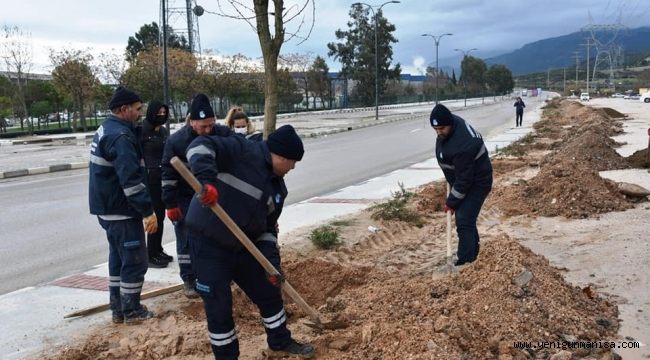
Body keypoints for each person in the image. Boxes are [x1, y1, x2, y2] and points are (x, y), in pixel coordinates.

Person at [185, 125, 314, 359]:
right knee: (219, 306)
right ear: (282, 156)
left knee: (268, 290)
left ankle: (279, 341)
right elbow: (199, 146)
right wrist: (207, 181)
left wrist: (271, 265)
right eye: (293, 162)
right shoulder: (242, 150)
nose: (293, 167)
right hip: (208, 243)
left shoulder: (277, 189)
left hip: (243, 246)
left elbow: (267, 230)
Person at [89, 86, 157, 324]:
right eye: (138, 109)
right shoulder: (121, 137)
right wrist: (147, 211)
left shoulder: (108, 129)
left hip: (107, 209)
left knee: (118, 260)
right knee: (135, 260)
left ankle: (118, 309)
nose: (141, 113)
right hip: (121, 210)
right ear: (124, 109)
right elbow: (131, 180)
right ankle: (132, 311)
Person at [161, 93, 232, 298]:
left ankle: (217, 273)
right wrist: (170, 203)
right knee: (186, 240)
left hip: (216, 194)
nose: (208, 130)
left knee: (217, 237)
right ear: (192, 122)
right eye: (203, 126)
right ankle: (189, 278)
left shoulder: (223, 134)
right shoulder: (176, 142)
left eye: (211, 125)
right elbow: (168, 174)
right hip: (185, 198)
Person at [430, 104, 493, 266]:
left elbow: (465, 180)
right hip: (462, 179)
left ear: (449, 123)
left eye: (441, 129)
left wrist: (451, 202)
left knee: (464, 219)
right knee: (467, 220)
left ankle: (465, 261)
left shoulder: (464, 143)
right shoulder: (450, 128)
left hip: (478, 181)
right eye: (435, 129)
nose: (438, 132)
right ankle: (474, 255)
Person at [139, 100, 172, 268]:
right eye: (158, 112)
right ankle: (150, 254)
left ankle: (157, 249)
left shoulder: (164, 131)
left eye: (164, 112)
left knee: (161, 215)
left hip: (163, 177)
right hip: (150, 179)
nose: (162, 115)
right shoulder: (142, 131)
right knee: (155, 215)